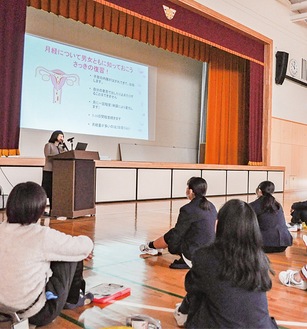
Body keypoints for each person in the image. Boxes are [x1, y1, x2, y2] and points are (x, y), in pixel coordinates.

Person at [0, 182, 94, 327]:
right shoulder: (41, 235)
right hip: (34, 314)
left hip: (2, 313)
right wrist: (82, 252)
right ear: (39, 209)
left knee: (61, 251)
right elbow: (84, 246)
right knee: (70, 255)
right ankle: (73, 299)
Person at [174, 199, 278, 328]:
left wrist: (184, 310)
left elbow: (193, 289)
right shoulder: (260, 259)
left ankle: (183, 314)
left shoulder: (206, 257)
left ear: (220, 225)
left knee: (202, 293)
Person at [139, 177, 217, 269]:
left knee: (172, 234)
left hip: (194, 254)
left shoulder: (187, 209)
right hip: (209, 252)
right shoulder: (212, 206)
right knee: (183, 232)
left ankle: (151, 246)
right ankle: (154, 246)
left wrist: (171, 245)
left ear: (191, 191)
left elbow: (177, 233)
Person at [249, 180, 292, 253]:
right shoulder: (278, 205)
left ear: (259, 191)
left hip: (265, 244)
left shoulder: (255, 205)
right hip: (283, 244)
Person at [42, 130, 68, 215]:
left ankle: (53, 210)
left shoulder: (61, 148)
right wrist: (58, 156)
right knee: (46, 191)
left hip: (57, 172)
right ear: (55, 136)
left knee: (54, 191)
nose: (62, 138)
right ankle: (42, 209)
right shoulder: (48, 145)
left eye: (63, 137)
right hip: (48, 171)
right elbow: (48, 156)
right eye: (61, 136)